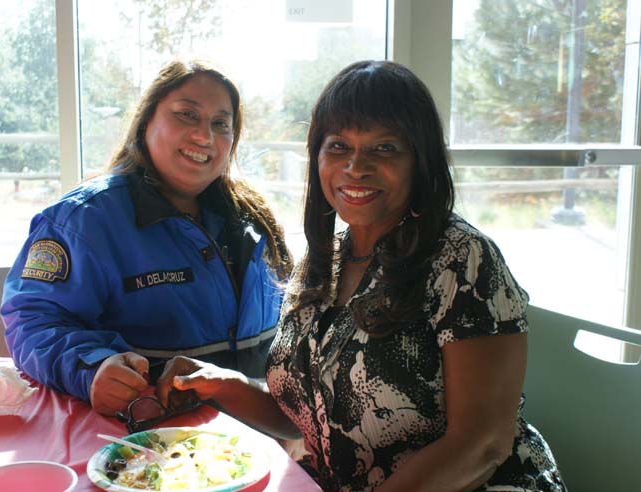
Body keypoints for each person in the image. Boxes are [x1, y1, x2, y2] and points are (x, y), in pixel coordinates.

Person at [154, 60, 567, 492]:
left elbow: (482, 445)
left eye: (384, 148)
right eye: (338, 146)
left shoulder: (462, 259)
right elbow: (309, 417)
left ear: (420, 161)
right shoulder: (323, 263)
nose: (355, 166)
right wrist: (222, 383)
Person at [0, 59, 293, 417]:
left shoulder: (254, 217)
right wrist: (92, 369)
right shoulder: (85, 220)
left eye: (221, 124)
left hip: (257, 442)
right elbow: (32, 321)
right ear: (146, 121)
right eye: (187, 115)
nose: (205, 136)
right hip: (148, 444)